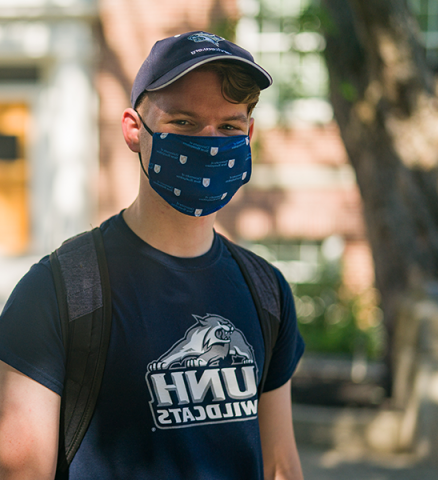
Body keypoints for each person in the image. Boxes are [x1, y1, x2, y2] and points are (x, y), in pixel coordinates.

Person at [0, 31, 305, 479]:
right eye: (183, 122)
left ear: (250, 133)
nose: (209, 141)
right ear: (133, 129)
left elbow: (280, 467)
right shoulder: (57, 292)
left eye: (229, 127)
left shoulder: (267, 291)